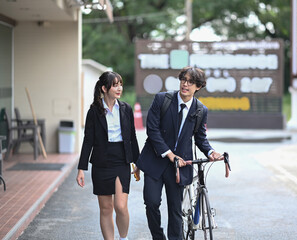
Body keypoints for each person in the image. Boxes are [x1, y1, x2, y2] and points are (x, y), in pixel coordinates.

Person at [135, 66, 222, 240]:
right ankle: (158, 237)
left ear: (198, 87)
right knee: (151, 203)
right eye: (184, 80)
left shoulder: (200, 110)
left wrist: (211, 152)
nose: (185, 84)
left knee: (175, 209)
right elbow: (152, 130)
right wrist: (169, 154)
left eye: (191, 82)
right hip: (155, 160)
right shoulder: (162, 99)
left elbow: (200, 138)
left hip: (179, 166)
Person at [76, 71, 140, 240]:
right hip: (101, 163)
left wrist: (138, 163)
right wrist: (81, 168)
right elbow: (88, 140)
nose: (119, 88)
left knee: (120, 206)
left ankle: (123, 238)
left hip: (121, 161)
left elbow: (132, 136)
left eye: (120, 84)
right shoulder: (94, 112)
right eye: (115, 85)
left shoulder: (126, 109)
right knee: (106, 208)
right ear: (104, 88)